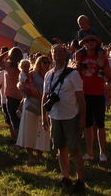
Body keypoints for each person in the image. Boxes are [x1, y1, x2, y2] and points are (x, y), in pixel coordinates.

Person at [42, 44, 86, 192]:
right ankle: (66, 176)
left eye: (61, 52)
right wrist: (44, 117)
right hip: (55, 115)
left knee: (74, 149)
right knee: (60, 148)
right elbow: (45, 97)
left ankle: (80, 179)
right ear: (51, 54)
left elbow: (80, 98)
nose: (57, 55)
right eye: (55, 52)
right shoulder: (48, 75)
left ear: (65, 55)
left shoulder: (73, 74)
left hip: (70, 115)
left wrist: (82, 118)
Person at [76, 35, 111, 162]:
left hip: (98, 93)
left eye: (92, 41)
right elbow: (77, 75)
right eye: (87, 41)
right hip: (84, 94)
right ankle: (89, 152)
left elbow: (110, 76)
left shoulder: (101, 58)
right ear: (84, 44)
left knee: (100, 124)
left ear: (97, 43)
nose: (90, 43)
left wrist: (102, 65)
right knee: (88, 125)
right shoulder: (81, 59)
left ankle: (103, 152)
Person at [17, 56, 51, 155]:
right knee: (29, 128)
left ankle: (40, 152)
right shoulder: (32, 74)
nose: (46, 64)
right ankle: (30, 153)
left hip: (44, 105)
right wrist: (25, 91)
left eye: (48, 62)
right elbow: (21, 83)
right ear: (38, 63)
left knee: (42, 128)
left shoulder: (50, 75)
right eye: (44, 62)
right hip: (32, 103)